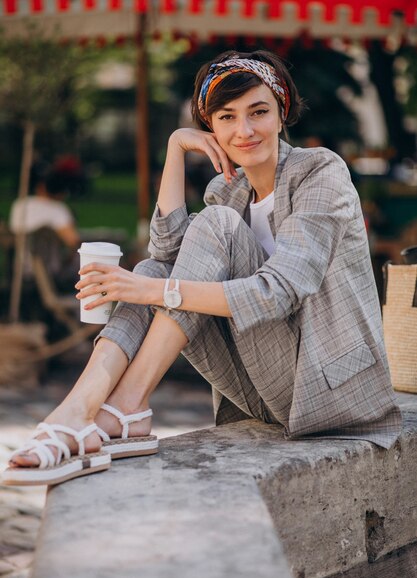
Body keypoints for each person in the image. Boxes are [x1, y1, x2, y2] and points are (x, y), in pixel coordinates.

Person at [3, 50, 402, 487]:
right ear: (209, 125)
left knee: (180, 259)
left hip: (327, 390)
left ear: (282, 111)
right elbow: (168, 250)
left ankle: (119, 406)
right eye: (226, 117)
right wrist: (176, 146)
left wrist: (146, 291)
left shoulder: (319, 172)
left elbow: (279, 290)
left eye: (258, 112)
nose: (244, 130)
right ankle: (83, 410)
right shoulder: (227, 190)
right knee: (156, 270)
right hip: (258, 391)